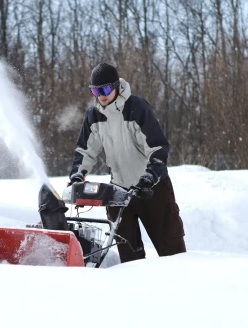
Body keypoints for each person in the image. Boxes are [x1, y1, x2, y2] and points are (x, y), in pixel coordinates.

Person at [68, 62, 186, 263]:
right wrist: (78, 175)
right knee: (129, 256)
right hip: (120, 192)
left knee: (171, 251)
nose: (101, 95)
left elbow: (157, 148)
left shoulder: (137, 108)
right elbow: (85, 151)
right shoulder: (94, 116)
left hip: (152, 189)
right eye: (96, 90)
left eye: (105, 89)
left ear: (116, 86)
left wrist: (149, 178)